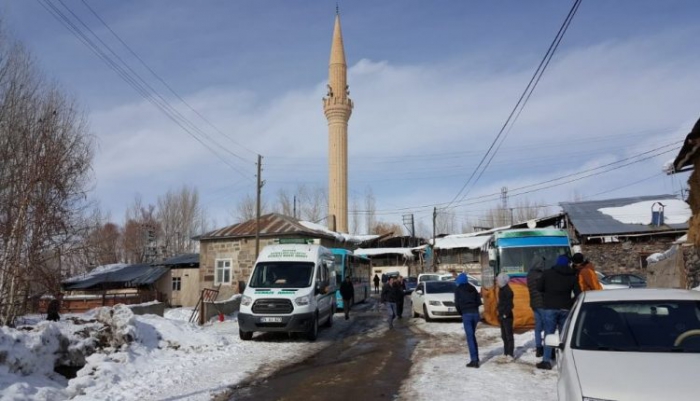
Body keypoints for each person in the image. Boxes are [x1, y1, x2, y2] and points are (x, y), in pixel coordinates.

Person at [536, 255, 580, 370]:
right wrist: (571, 302)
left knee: (549, 334)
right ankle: (564, 360)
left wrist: (548, 294)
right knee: (563, 335)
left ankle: (546, 360)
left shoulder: (547, 273)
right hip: (565, 308)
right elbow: (578, 293)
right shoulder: (572, 275)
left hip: (550, 307)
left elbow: (539, 287)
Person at [455, 272, 482, 368]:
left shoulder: (458, 289)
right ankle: (476, 358)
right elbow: (479, 301)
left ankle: (474, 360)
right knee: (472, 336)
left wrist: (461, 313)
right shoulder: (473, 288)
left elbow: (457, 304)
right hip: (475, 314)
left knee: (470, 337)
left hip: (467, 314)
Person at [527, 256, 546, 357]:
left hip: (534, 303)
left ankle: (538, 348)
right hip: (542, 303)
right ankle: (547, 347)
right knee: (547, 326)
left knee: (538, 327)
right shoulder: (541, 275)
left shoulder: (529, 274)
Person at [497, 272, 514, 358]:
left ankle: (510, 354)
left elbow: (510, 305)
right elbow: (501, 303)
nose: (497, 282)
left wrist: (505, 314)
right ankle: (506, 352)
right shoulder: (501, 290)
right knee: (504, 335)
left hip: (507, 316)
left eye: (498, 280)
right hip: (501, 315)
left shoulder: (508, 291)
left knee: (509, 335)